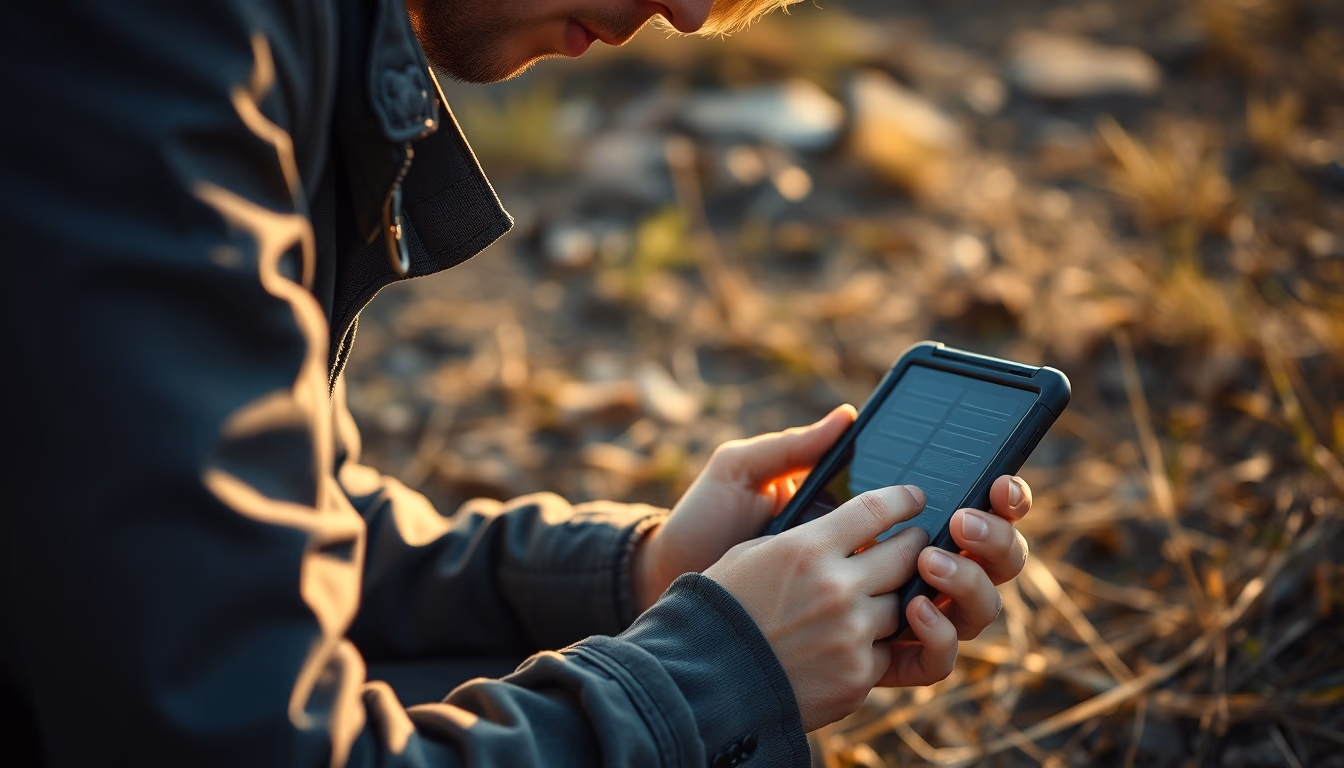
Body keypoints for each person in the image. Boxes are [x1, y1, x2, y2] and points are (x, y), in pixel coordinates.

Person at [0, 0, 1036, 765]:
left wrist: (639, 576)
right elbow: (229, 734)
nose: (679, 14)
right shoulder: (157, 45)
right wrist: (718, 670)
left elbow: (250, 525)